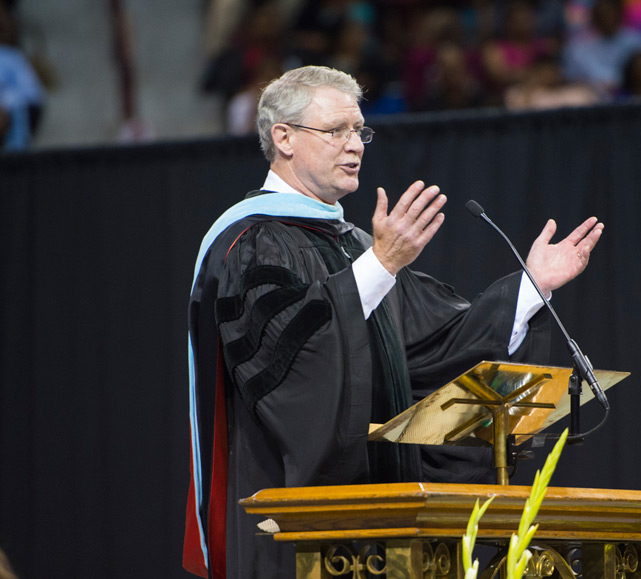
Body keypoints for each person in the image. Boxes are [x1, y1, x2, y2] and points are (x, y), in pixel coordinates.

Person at [184, 65, 604, 579]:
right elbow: (286, 363)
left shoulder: (357, 245)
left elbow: (434, 348)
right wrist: (379, 267)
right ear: (284, 138)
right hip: (296, 527)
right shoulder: (250, 243)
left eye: (360, 131)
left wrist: (531, 287)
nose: (355, 144)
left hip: (390, 525)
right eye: (336, 130)